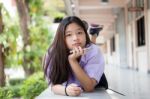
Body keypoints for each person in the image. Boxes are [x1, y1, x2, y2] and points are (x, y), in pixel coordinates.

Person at [43, 16, 105, 96]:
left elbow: (89, 87)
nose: (75, 38)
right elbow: (53, 85)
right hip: (68, 88)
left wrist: (72, 60)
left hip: (93, 80)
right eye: (69, 35)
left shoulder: (94, 50)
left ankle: (94, 33)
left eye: (79, 33)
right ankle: (94, 33)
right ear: (62, 37)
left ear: (85, 34)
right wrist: (65, 91)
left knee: (91, 47)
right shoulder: (52, 53)